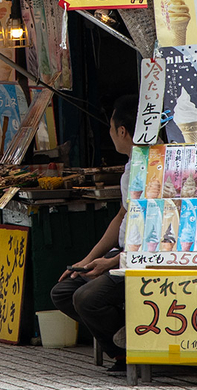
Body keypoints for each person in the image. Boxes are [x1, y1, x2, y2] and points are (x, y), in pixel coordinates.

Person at [49, 94, 138, 372]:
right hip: (118, 255)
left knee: (86, 298)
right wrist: (86, 262)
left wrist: (110, 264)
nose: (110, 134)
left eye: (111, 129)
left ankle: (132, 351)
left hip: (137, 259)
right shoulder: (130, 167)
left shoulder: (154, 169)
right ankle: (122, 346)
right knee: (63, 291)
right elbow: (121, 217)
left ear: (122, 131)